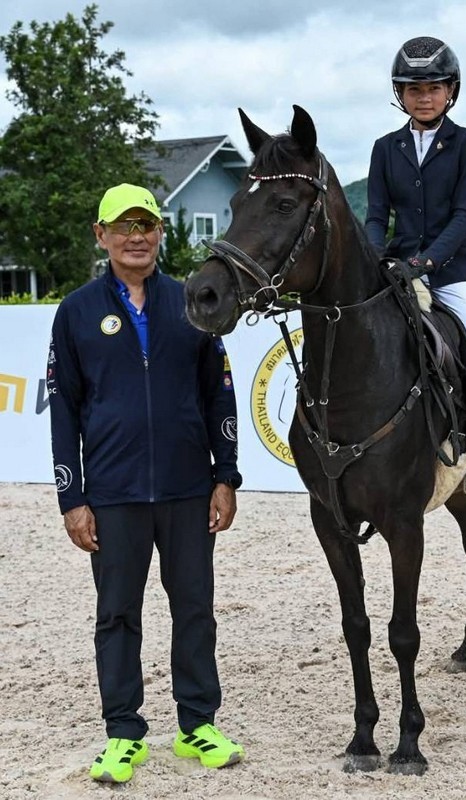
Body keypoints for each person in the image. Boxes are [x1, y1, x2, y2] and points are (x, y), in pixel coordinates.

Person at [47, 183, 245, 783]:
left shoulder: (193, 300)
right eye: (123, 226)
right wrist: (72, 498)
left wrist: (226, 477)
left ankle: (197, 724)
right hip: (113, 494)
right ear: (101, 235)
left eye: (146, 225)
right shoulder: (76, 311)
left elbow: (221, 394)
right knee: (116, 614)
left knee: (195, 609)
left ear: (161, 232)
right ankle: (123, 733)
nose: (136, 236)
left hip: (188, 490)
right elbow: (63, 411)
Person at [365, 35, 466, 493]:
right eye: (414, 89)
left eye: (434, 88)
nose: (424, 97)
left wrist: (425, 261)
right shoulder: (385, 148)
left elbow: (464, 216)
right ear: (400, 93)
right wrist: (374, 258)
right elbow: (376, 216)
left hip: (452, 270)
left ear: (451, 91)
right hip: (396, 268)